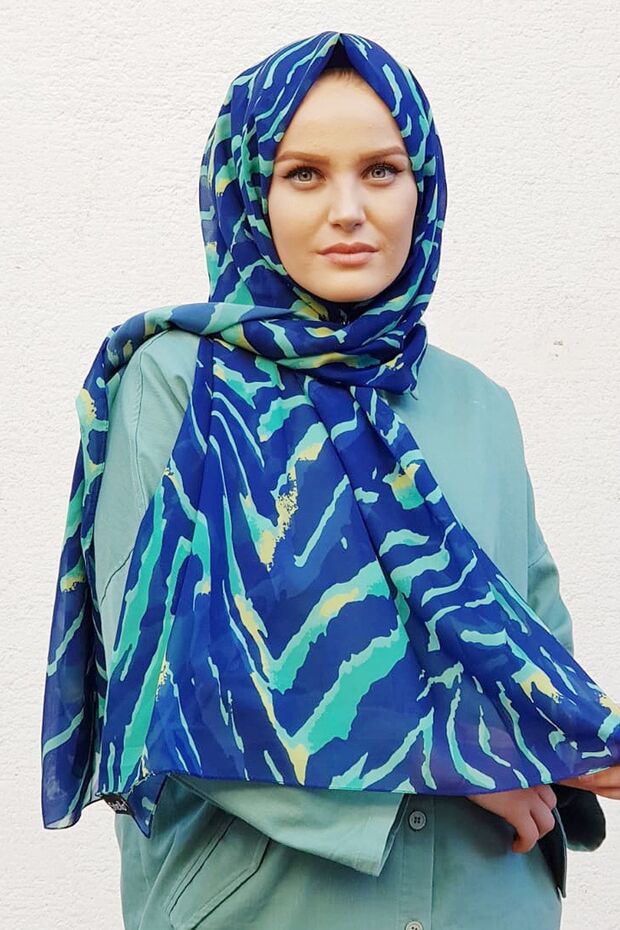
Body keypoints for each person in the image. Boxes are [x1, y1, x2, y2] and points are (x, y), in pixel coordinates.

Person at [41, 31, 620, 930]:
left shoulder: (478, 405)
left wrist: (562, 744)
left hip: (488, 895)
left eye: (381, 170)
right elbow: (172, 678)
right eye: (304, 173)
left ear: (423, 186)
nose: (349, 210)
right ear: (249, 188)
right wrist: (461, 762)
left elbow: (535, 658)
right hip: (270, 903)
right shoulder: (179, 381)